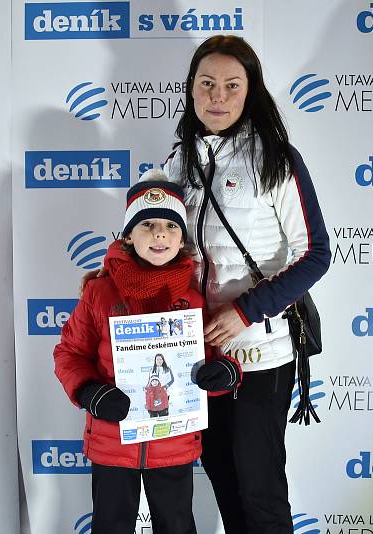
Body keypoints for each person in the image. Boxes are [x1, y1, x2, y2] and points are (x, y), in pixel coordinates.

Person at [140, 35, 331, 533]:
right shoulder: (178, 162)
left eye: (230, 85)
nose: (217, 97)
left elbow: (316, 254)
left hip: (259, 354)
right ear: (191, 90)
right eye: (207, 84)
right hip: (197, 354)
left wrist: (245, 311)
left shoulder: (276, 158)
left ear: (250, 92)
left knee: (260, 489)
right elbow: (155, 245)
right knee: (223, 479)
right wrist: (110, 273)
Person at [54, 181, 242, 534]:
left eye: (172, 226)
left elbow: (211, 358)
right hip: (114, 438)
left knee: (177, 526)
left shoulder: (194, 298)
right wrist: (90, 393)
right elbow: (69, 353)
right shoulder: (99, 292)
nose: (160, 234)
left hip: (174, 441)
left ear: (182, 239)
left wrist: (224, 373)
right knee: (111, 525)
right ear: (128, 237)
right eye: (148, 225)